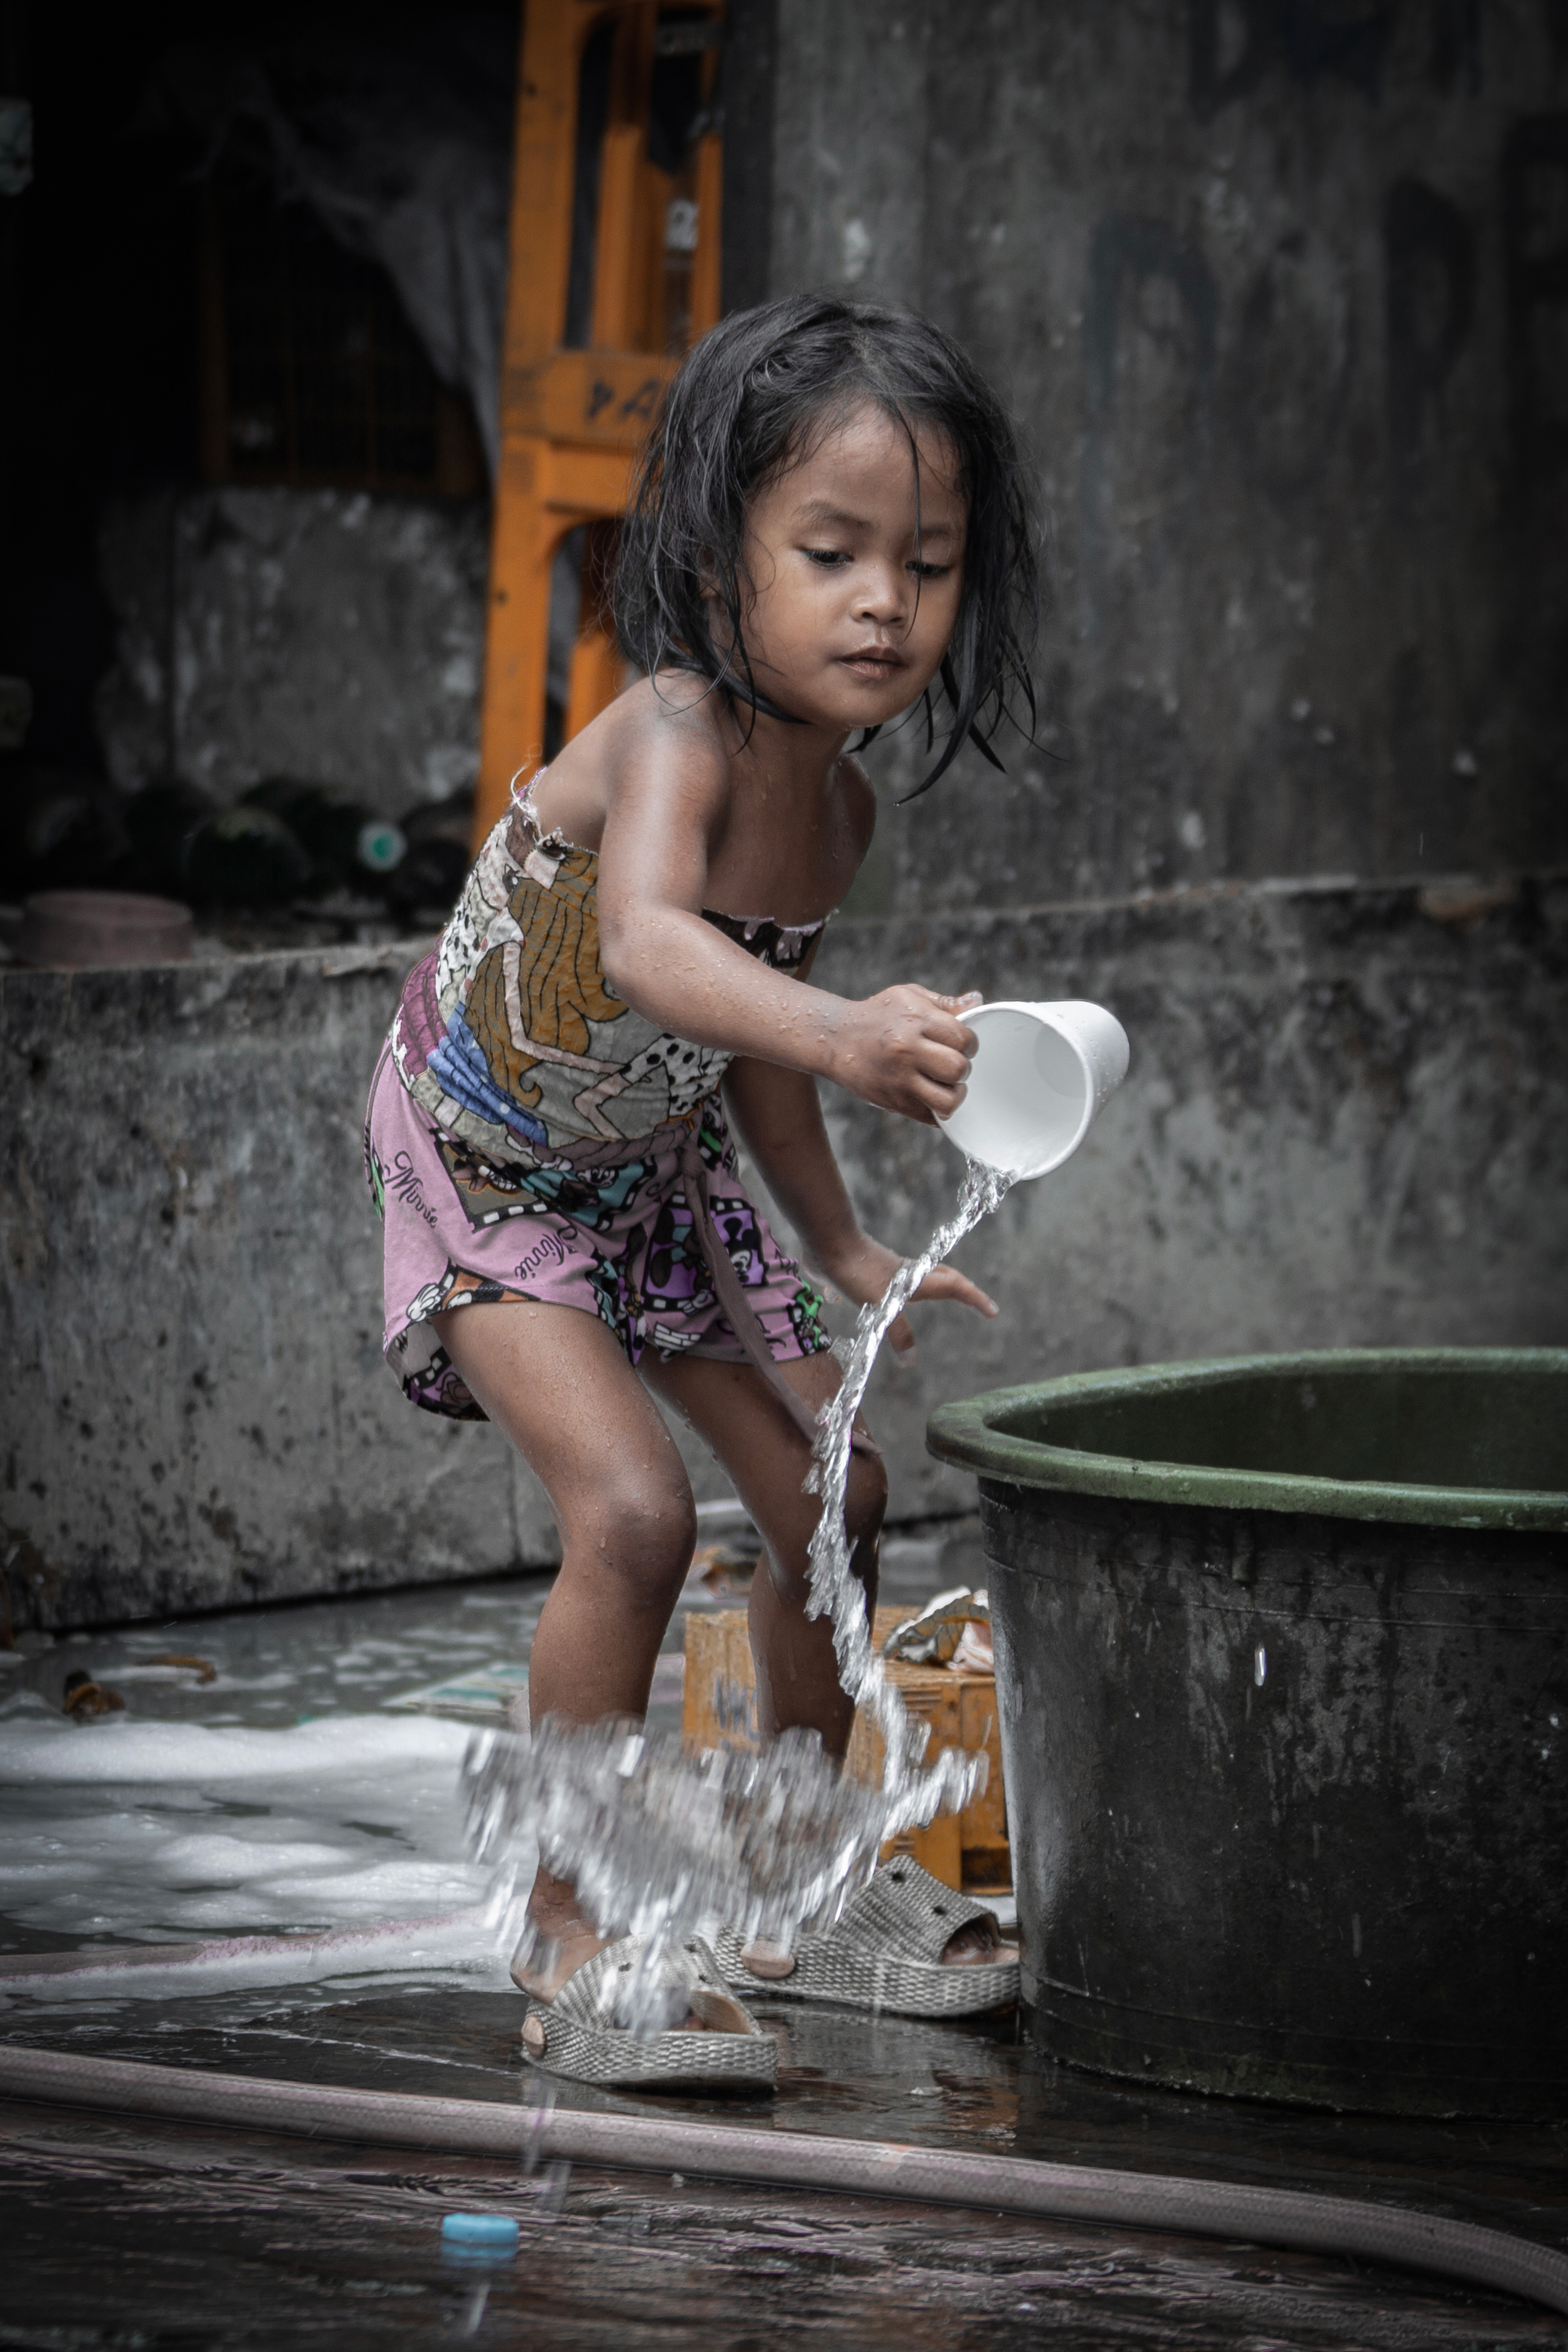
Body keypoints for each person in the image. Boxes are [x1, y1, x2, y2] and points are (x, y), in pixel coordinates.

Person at [365, 294, 1039, 2085]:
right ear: (721, 553)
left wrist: (838, 1241)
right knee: (637, 1516)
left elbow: (738, 1039)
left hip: (653, 1175)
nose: (884, 600)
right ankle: (575, 1929)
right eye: (831, 552)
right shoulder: (675, 728)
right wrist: (846, 1031)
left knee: (844, 1488)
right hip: (488, 1159)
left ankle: (794, 1886)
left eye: (930, 561)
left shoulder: (843, 815)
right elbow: (661, 949)